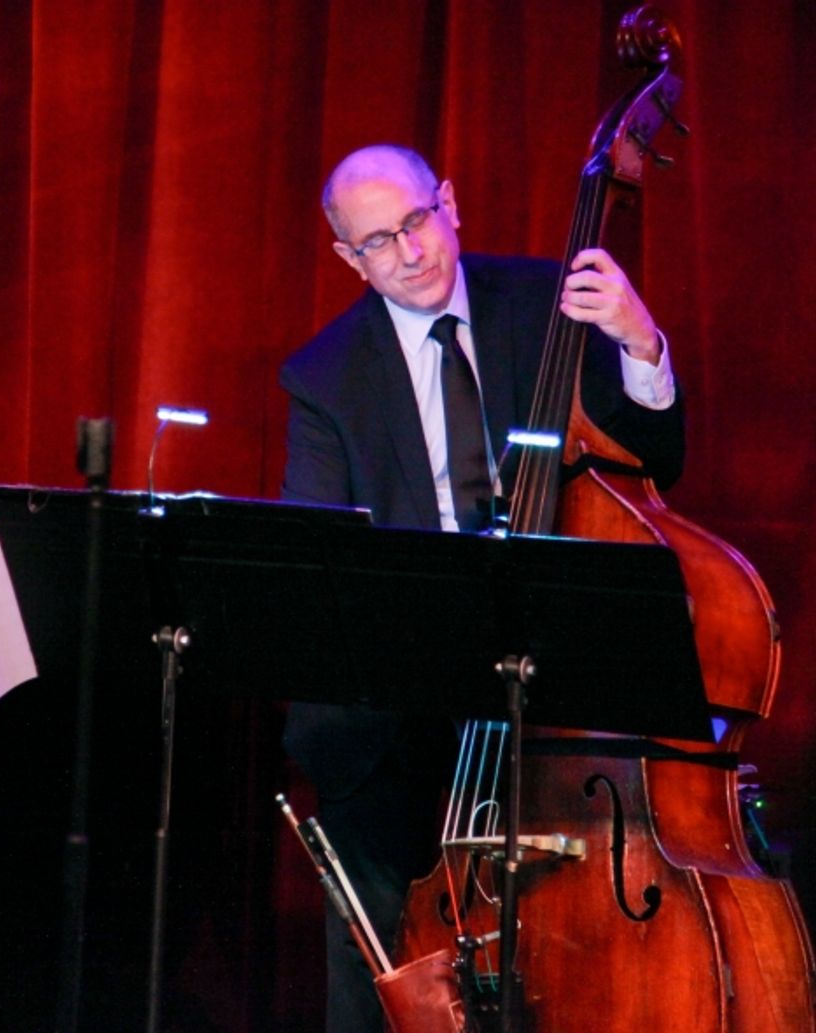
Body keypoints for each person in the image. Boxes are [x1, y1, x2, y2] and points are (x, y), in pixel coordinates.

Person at [279, 144, 685, 1031]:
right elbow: (324, 563)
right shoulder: (322, 377)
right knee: (379, 965)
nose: (411, 253)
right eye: (379, 242)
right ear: (350, 257)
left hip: (548, 693)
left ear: (450, 204)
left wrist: (639, 342)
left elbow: (657, 465)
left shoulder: (547, 305)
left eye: (418, 222)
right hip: (400, 703)